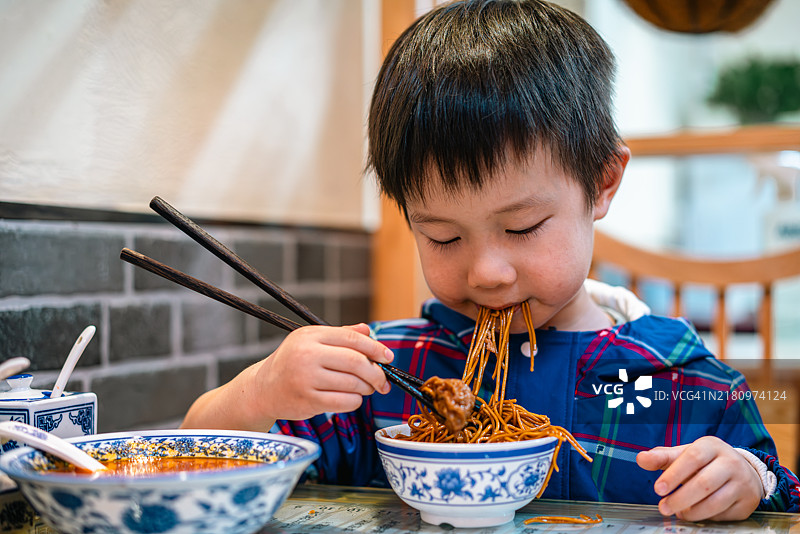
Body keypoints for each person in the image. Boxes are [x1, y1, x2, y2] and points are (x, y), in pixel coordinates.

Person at [181, 0, 800, 521]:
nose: (487, 272)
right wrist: (260, 392)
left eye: (522, 226)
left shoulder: (681, 377)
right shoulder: (387, 377)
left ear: (603, 183)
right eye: (444, 237)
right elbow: (196, 461)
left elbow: (782, 494)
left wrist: (751, 480)